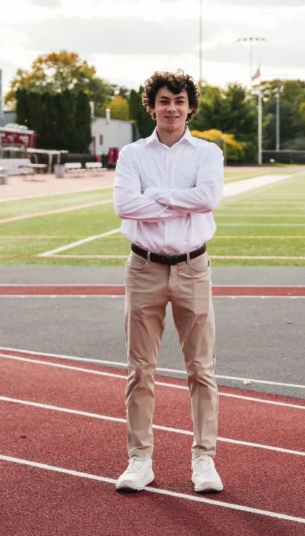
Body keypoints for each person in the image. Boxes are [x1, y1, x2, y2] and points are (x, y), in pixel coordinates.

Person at [112, 70, 225, 494]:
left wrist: (156, 197)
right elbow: (124, 204)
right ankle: (140, 459)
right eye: (164, 100)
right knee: (140, 369)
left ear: (190, 106)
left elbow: (209, 198)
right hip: (144, 268)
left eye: (179, 100)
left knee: (201, 368)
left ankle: (204, 459)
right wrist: (181, 201)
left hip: (193, 267)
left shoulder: (207, 153)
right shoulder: (133, 155)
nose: (172, 108)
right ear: (152, 106)